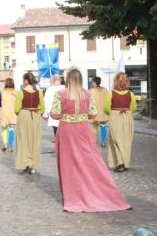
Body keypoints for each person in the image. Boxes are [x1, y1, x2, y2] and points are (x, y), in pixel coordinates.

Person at [50, 68, 131, 212]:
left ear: (68, 79)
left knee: (67, 165)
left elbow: (55, 115)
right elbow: (93, 114)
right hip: (82, 130)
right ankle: (98, 192)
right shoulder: (87, 94)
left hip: (66, 131)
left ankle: (72, 196)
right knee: (90, 163)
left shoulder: (60, 94)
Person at [105, 72, 136, 172]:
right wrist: (127, 111)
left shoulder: (110, 93)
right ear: (127, 82)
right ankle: (126, 163)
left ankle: (119, 163)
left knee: (115, 140)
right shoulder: (131, 94)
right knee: (126, 141)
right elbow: (133, 108)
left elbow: (106, 108)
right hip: (127, 116)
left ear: (115, 82)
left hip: (115, 116)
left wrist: (111, 112)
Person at [15, 72, 45, 174]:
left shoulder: (21, 92)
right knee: (35, 141)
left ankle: (25, 164)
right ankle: (33, 165)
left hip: (24, 115)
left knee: (24, 140)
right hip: (35, 116)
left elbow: (16, 109)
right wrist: (37, 112)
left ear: (26, 80)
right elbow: (43, 108)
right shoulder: (39, 92)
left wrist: (23, 113)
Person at [43, 74, 65, 141]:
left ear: (52, 80)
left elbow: (46, 101)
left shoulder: (49, 89)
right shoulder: (65, 88)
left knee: (55, 127)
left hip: (53, 112)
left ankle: (57, 138)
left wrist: (45, 114)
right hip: (64, 112)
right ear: (60, 80)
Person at [0, 78, 18, 152]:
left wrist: (3, 104)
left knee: (4, 129)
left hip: (4, 112)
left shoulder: (2, 92)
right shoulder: (17, 92)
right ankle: (10, 146)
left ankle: (5, 144)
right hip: (13, 113)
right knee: (11, 129)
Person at [90, 77, 109, 146]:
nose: (92, 83)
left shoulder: (91, 91)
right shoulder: (105, 90)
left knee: (95, 126)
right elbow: (108, 100)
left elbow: (89, 102)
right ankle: (103, 142)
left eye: (93, 82)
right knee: (103, 127)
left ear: (95, 82)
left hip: (95, 112)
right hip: (103, 112)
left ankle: (94, 142)